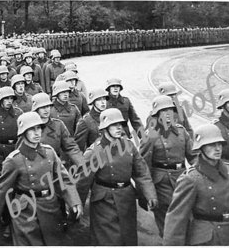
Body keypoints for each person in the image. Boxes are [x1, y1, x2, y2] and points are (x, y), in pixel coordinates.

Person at [0, 111, 83, 245]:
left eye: (39, 128)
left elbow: (64, 179)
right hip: (25, 213)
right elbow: (0, 191)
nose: (37, 133)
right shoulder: (14, 160)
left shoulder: (49, 152)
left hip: (50, 207)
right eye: (31, 129)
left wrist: (74, 201)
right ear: (23, 133)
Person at [77, 108, 158, 245]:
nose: (119, 127)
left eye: (120, 124)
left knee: (128, 238)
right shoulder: (94, 151)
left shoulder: (129, 146)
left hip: (126, 199)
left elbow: (141, 173)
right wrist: (77, 207)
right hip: (103, 202)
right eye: (114, 125)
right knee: (107, 240)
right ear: (105, 128)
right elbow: (82, 182)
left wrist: (150, 194)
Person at [163, 124, 229, 246]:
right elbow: (176, 220)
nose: (217, 149)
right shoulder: (190, 179)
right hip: (206, 239)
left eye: (219, 144)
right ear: (201, 148)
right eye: (211, 145)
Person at [139, 95, 196, 237]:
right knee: (168, 224)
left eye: (170, 110)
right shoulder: (150, 136)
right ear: (157, 115)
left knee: (187, 219)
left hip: (182, 179)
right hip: (161, 182)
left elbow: (194, 157)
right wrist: (148, 193)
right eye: (164, 112)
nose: (168, 115)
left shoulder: (181, 131)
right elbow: (143, 168)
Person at [74, 88, 107, 152]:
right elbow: (79, 146)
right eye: (99, 100)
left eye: (104, 99)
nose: (103, 102)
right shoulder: (86, 121)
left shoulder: (110, 116)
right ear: (93, 102)